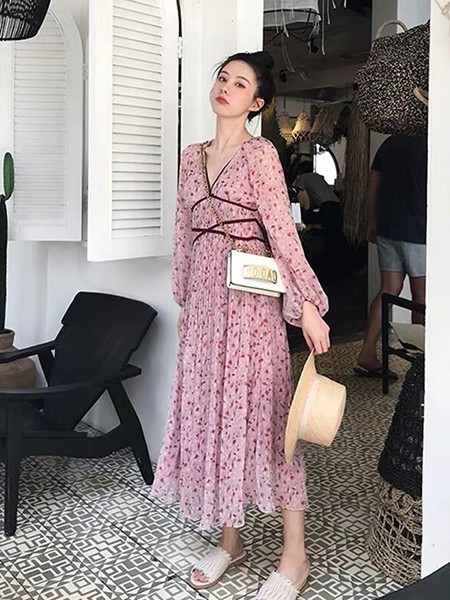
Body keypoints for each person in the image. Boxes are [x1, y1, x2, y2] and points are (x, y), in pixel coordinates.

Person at [151, 50, 330, 599]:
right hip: (205, 304)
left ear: (257, 103)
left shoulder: (261, 155)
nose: (226, 87)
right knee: (215, 415)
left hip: (251, 303)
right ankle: (231, 542)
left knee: (270, 420)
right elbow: (183, 234)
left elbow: (282, 234)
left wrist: (308, 304)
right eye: (223, 77)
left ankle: (294, 557)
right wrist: (184, 302)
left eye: (241, 83)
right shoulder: (190, 158)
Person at [354, 135, 427, 379]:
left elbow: (374, 182)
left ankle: (367, 352)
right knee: (421, 295)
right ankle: (419, 364)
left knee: (388, 290)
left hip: (388, 227)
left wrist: (371, 221)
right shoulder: (431, 143)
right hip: (419, 230)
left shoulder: (390, 143)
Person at [294, 161, 342, 234]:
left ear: (300, 170)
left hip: (327, 206)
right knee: (334, 232)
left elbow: (296, 191)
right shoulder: (317, 176)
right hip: (337, 204)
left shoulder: (303, 177)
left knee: (327, 232)